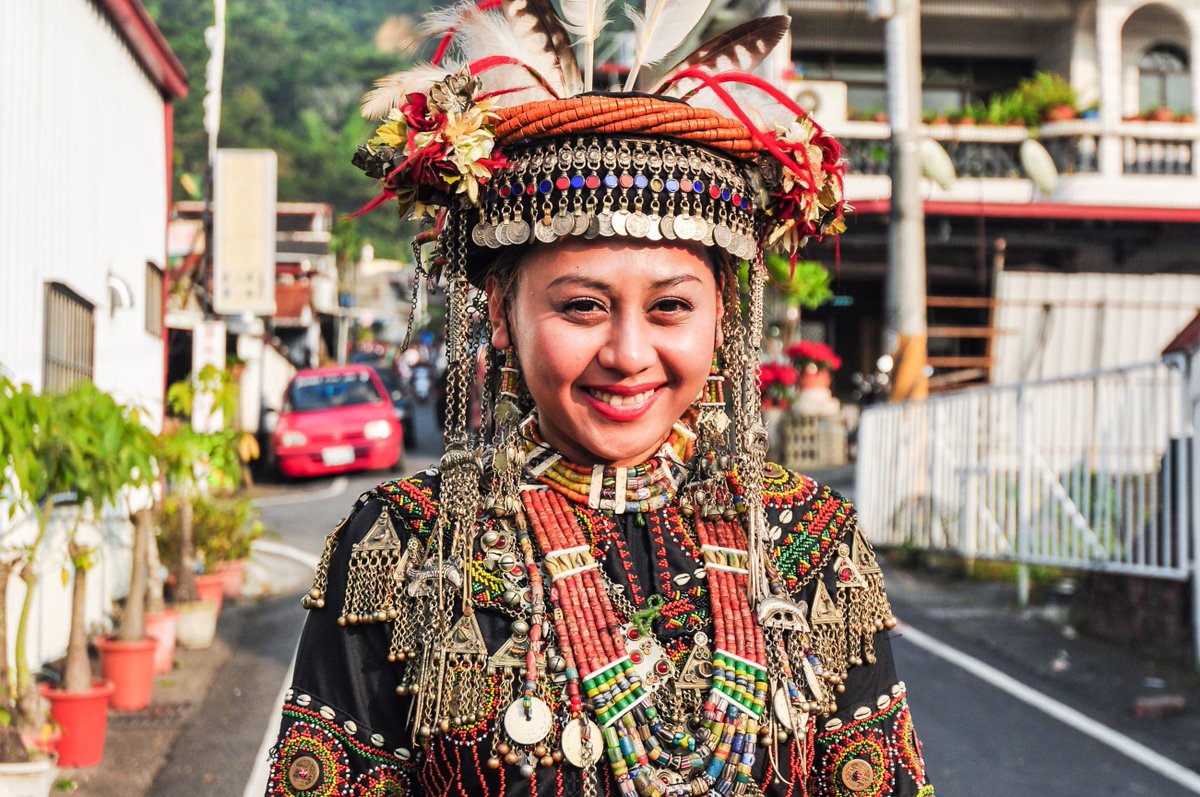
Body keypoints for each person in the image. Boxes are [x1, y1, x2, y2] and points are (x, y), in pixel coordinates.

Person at [265, 4, 933, 796]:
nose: (626, 353)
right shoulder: (407, 546)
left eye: (671, 307)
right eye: (581, 306)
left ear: (722, 316)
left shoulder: (813, 546)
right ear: (502, 311)